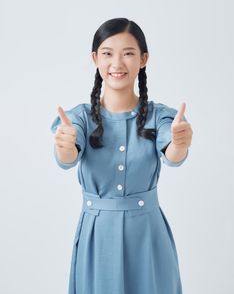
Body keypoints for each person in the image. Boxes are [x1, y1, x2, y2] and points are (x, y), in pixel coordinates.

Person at [50, 17, 193, 294]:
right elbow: (68, 155)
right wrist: (64, 146)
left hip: (148, 236)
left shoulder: (159, 116)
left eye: (128, 53)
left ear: (143, 59)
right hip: (97, 236)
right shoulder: (79, 118)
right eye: (107, 53)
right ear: (95, 58)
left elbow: (173, 154)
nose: (117, 63)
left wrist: (180, 142)